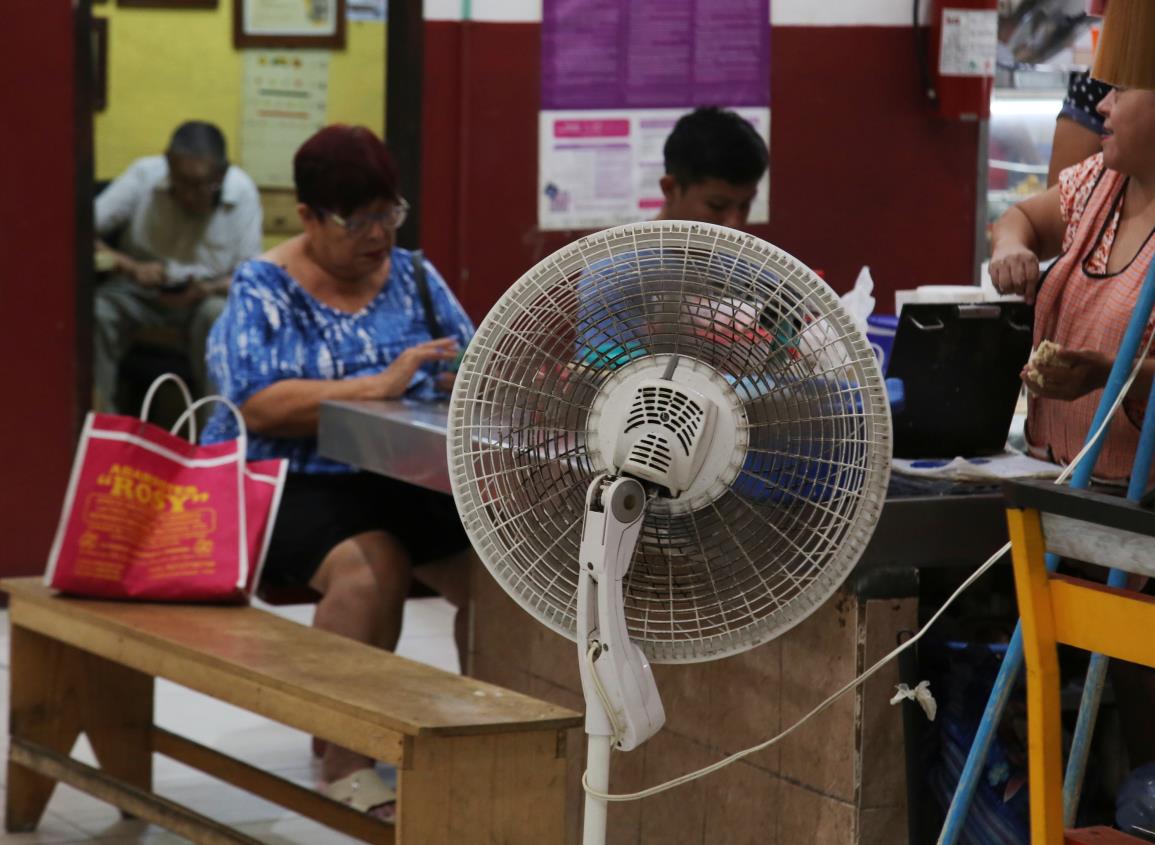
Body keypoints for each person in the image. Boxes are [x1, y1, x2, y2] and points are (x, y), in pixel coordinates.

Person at [201, 125, 475, 820]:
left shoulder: (414, 276)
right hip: (281, 475)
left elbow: (475, 364)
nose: (378, 235)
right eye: (358, 221)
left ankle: (494, 735)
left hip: (395, 469)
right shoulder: (264, 286)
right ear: (309, 218)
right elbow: (257, 403)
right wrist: (378, 384)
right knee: (372, 567)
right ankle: (347, 763)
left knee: (497, 568)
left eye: (389, 214)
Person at [989, 13, 1155, 771]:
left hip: (1137, 513)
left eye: (1121, 89)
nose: (1103, 107)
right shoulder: (1101, 183)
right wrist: (1013, 248)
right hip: (1060, 485)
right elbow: (1020, 215)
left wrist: (1110, 372)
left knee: (1139, 730)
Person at [94, 121, 262, 411]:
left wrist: (207, 288)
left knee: (221, 317)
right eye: (181, 183)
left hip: (202, 298)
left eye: (201, 186)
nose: (188, 196)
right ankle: (103, 428)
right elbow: (78, 229)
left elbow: (249, 275)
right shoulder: (145, 174)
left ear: (222, 174)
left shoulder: (242, 192)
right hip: (138, 291)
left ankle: (214, 439)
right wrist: (130, 266)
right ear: (168, 163)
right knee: (97, 312)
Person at [654, 106, 769, 228]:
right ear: (670, 189)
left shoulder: (737, 246)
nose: (734, 223)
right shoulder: (634, 245)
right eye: (717, 206)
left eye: (745, 205)